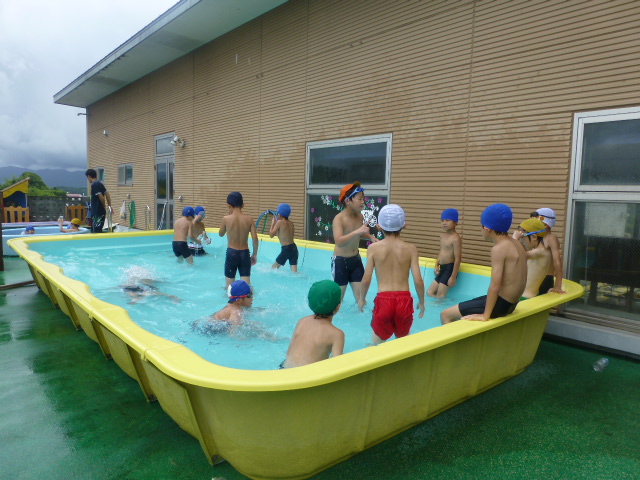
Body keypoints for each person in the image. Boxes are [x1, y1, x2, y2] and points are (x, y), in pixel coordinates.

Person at [440, 203, 527, 324]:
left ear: (487, 228)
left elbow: (495, 285)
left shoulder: (499, 249)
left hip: (500, 304)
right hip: (511, 303)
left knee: (445, 314)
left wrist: (485, 315)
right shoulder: (516, 243)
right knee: (467, 304)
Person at [357, 204, 425, 344]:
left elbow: (366, 279)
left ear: (379, 227)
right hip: (404, 300)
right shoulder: (411, 249)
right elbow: (418, 280)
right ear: (404, 225)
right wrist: (422, 302)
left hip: (384, 300)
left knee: (376, 346)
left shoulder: (373, 248)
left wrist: (362, 299)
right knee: (402, 345)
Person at [331, 181, 379, 301]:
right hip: (340, 262)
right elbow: (339, 241)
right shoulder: (339, 219)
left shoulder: (360, 216)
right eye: (360, 199)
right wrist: (358, 232)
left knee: (361, 299)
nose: (363, 202)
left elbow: (359, 233)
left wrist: (370, 237)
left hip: (356, 260)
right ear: (348, 201)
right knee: (338, 300)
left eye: (363, 199)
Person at [281, 279, 344, 368]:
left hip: (284, 369)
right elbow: (337, 366)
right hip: (309, 375)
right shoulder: (337, 334)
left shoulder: (302, 321)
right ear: (338, 307)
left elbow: (288, 353)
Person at [219, 191, 259, 286]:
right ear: (243, 205)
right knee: (246, 286)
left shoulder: (226, 219)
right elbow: (255, 238)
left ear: (229, 205)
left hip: (231, 253)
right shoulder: (249, 219)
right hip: (244, 254)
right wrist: (254, 254)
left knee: (229, 287)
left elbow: (221, 234)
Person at [513, 218, 551, 299]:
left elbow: (518, 255)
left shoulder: (540, 252)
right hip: (527, 295)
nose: (521, 241)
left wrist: (515, 239)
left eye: (523, 238)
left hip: (526, 297)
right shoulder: (538, 251)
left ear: (534, 237)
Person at [427, 208, 462, 298]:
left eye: (447, 220)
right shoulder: (442, 236)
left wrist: (453, 277)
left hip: (449, 269)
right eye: (442, 220)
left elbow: (458, 259)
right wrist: (436, 265)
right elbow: (441, 252)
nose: (444, 223)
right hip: (442, 268)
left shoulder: (455, 238)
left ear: (455, 223)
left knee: (441, 296)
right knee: (429, 292)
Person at [531, 207, 567, 294]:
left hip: (546, 278)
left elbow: (557, 262)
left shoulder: (551, 238)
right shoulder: (537, 237)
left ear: (545, 224)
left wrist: (558, 285)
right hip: (535, 277)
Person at [269, 203, 298, 272]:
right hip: (294, 248)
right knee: (295, 273)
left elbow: (271, 235)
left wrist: (272, 224)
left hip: (286, 249)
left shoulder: (279, 222)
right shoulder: (291, 223)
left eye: (277, 213)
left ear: (280, 215)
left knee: (273, 269)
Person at [85, 168, 112, 233]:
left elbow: (101, 197)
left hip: (97, 212)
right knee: (97, 230)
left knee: (96, 231)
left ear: (89, 176)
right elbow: (107, 195)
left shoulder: (95, 185)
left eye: (87, 177)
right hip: (99, 212)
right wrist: (109, 206)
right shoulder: (100, 184)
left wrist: (104, 206)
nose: (87, 179)